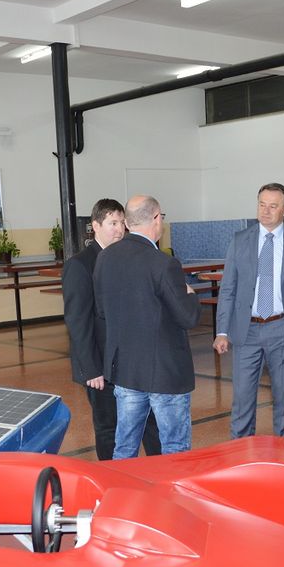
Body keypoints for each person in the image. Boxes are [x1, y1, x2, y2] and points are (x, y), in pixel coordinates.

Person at [93, 195, 201, 459]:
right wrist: (190, 294)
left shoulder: (106, 258)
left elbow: (103, 311)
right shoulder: (164, 263)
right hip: (164, 372)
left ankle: (121, 485)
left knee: (125, 447)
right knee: (174, 449)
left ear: (128, 223)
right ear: (156, 218)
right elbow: (188, 317)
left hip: (126, 371)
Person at [212, 182, 284, 439]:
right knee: (242, 401)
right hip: (246, 330)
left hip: (283, 329)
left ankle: (283, 455)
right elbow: (228, 289)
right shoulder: (240, 240)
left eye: (273, 206)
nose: (266, 211)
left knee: (283, 400)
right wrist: (222, 331)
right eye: (262, 204)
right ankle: (241, 454)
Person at [62, 198, 161, 460]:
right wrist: (91, 368)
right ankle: (111, 476)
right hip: (101, 366)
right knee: (109, 428)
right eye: (112, 223)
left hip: (131, 361)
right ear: (95, 226)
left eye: (121, 223)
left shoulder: (127, 258)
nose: (119, 230)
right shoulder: (80, 264)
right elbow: (78, 321)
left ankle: (160, 471)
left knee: (149, 421)